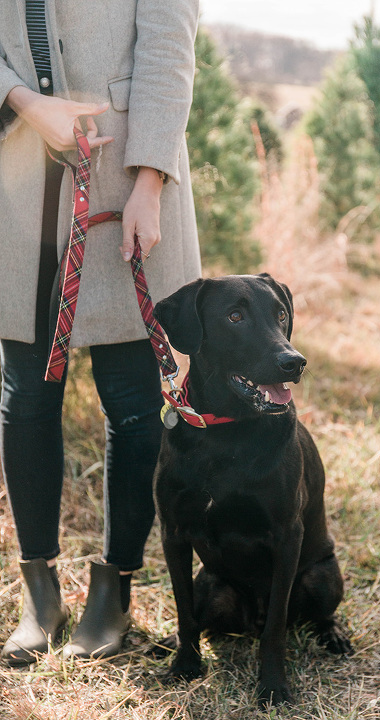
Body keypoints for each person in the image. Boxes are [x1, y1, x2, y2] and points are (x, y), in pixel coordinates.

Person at [0, 0, 201, 665]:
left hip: (126, 179)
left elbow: (168, 50)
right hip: (20, 175)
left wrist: (151, 179)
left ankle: (115, 590)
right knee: (25, 395)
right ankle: (40, 593)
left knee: (134, 403)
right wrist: (24, 99)